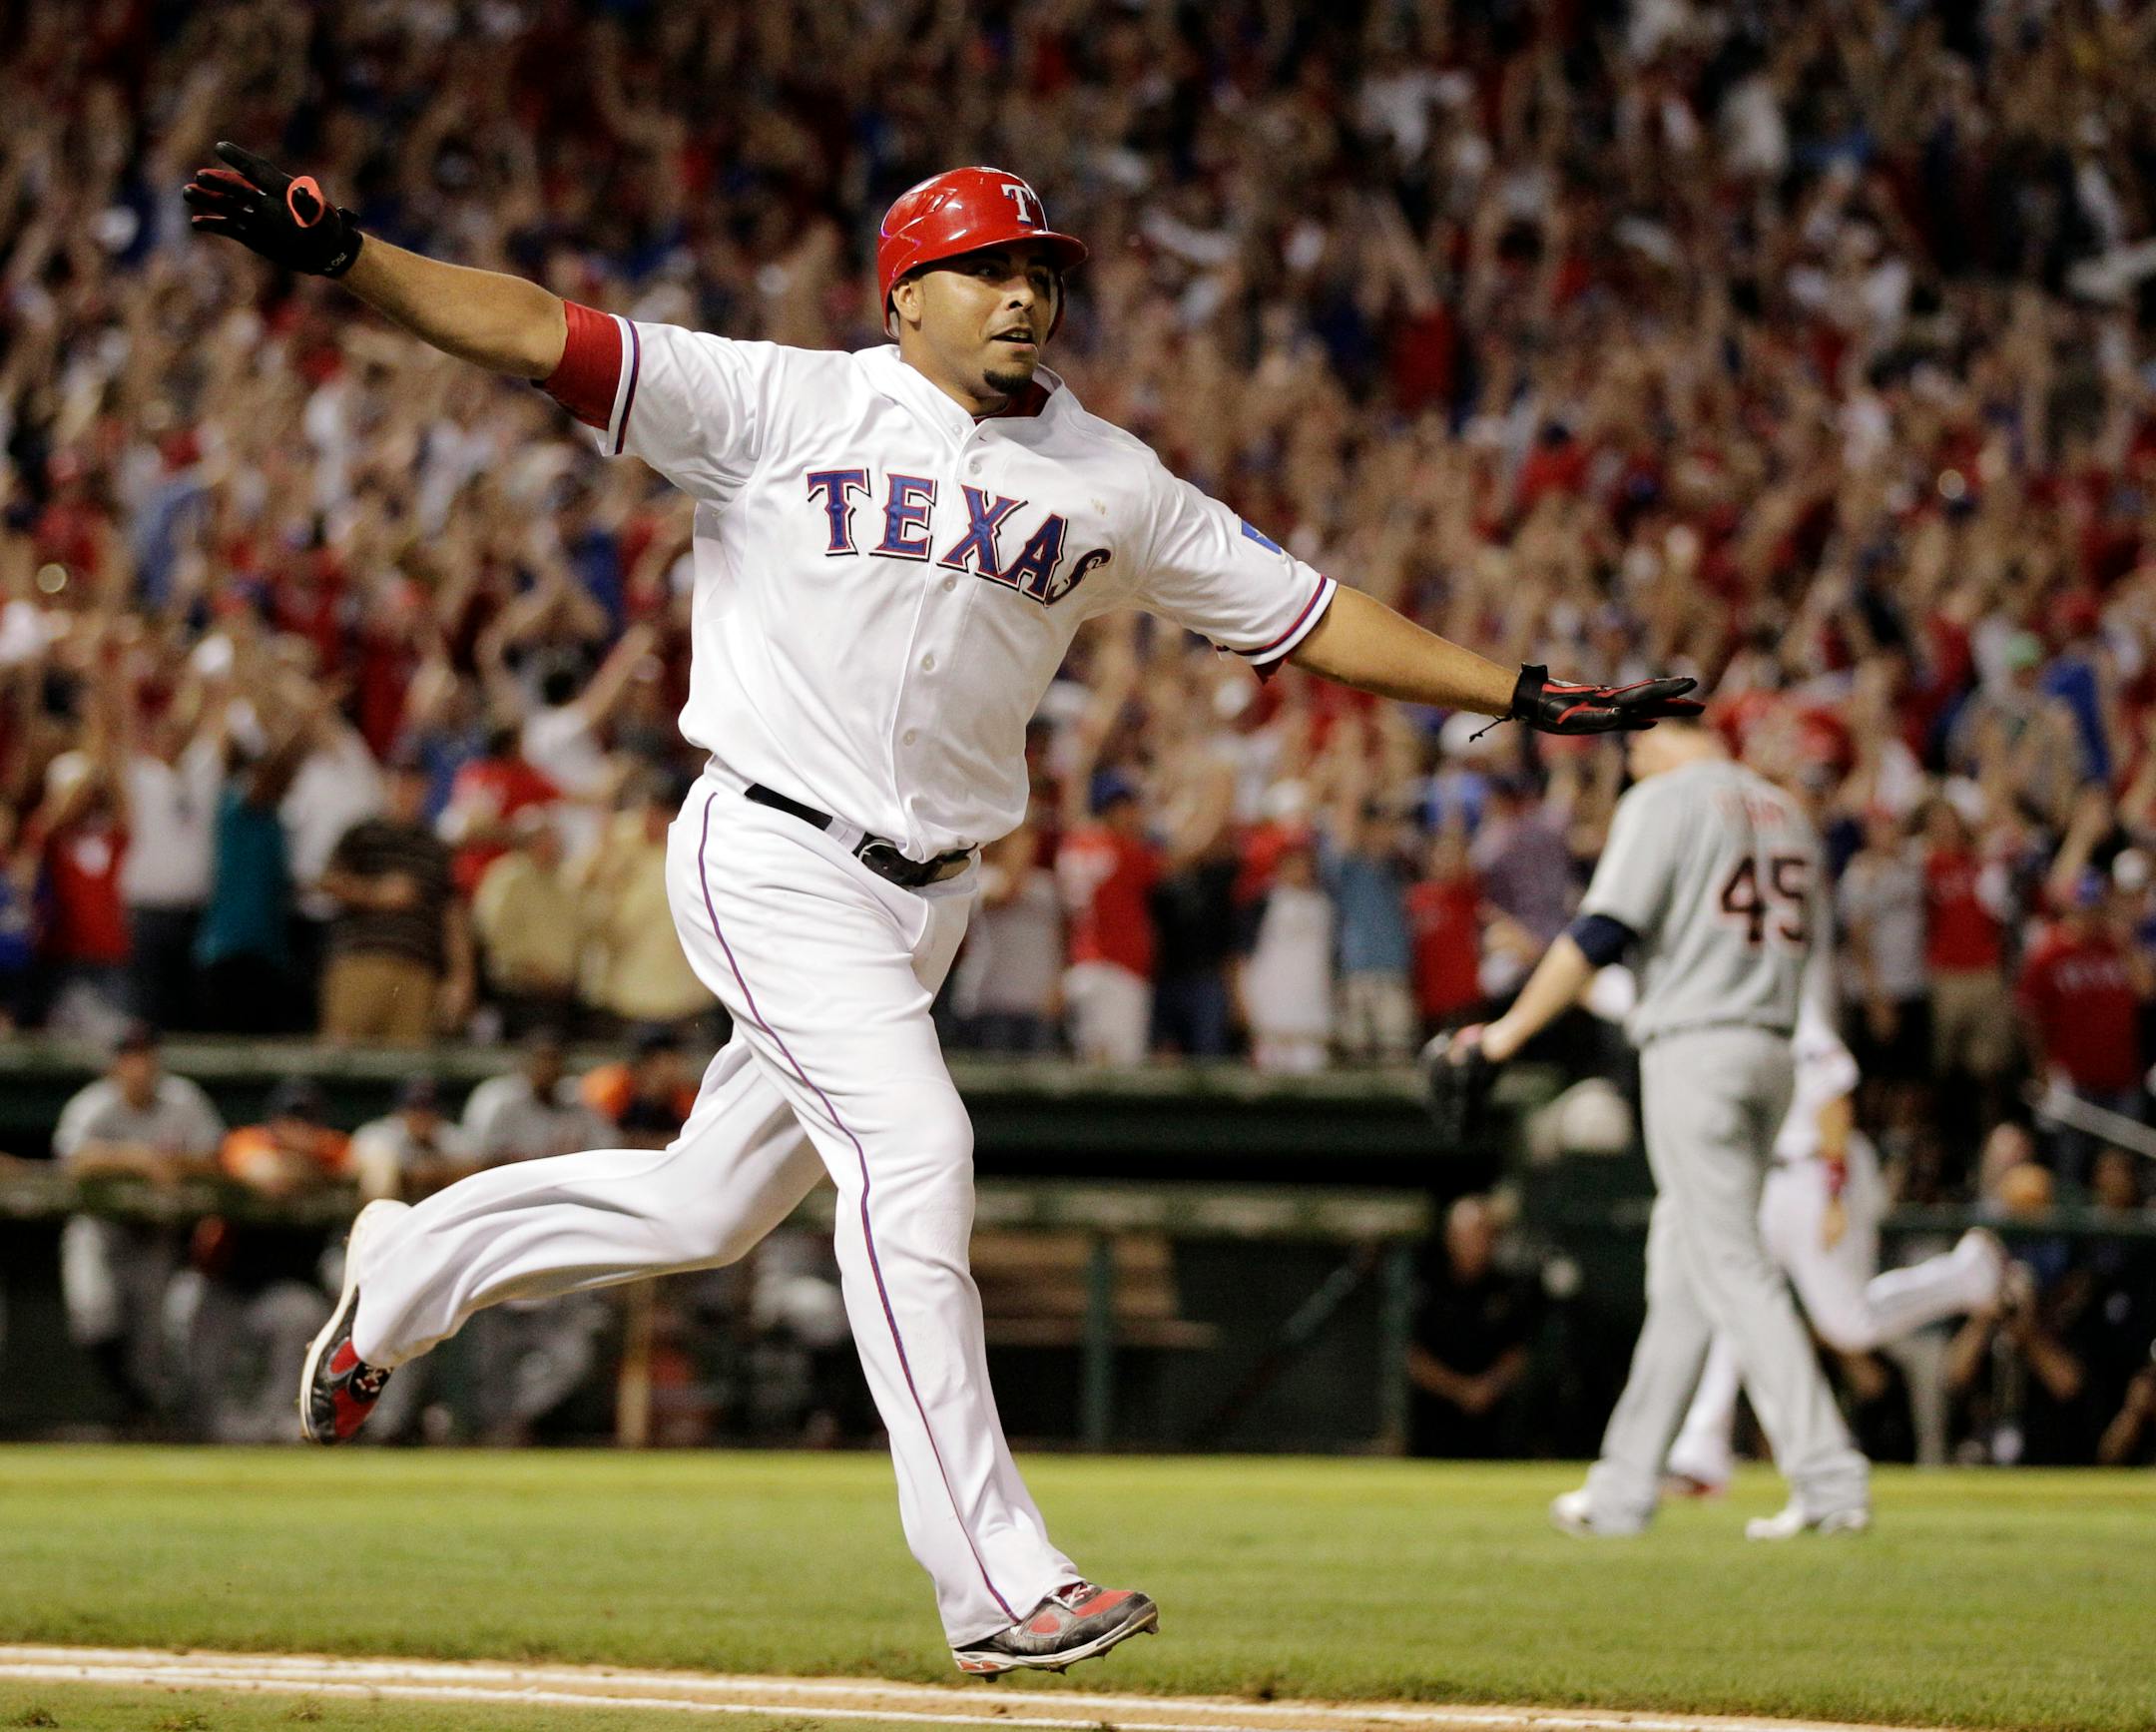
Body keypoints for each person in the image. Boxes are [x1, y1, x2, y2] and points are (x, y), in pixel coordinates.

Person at [189, 147, 1694, 1671]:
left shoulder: (1114, 480)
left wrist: (1511, 688)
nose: (1027, 293)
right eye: (991, 268)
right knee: (915, 1149)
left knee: (709, 1205)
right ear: (906, 297)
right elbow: (535, 332)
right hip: (768, 848)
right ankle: (999, 1581)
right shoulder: (785, 404)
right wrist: (354, 262)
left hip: (928, 900)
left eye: (1042, 270)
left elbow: (1310, 615)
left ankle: (409, 1265)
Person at [1445, 716, 1871, 1538]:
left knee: (1731, 1266)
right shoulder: (1786, 810)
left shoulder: (1667, 799)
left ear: (1650, 739)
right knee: (1683, 1276)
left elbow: (1600, 934)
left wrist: (1500, 1036)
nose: (1626, 759)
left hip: (1698, 1048)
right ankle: (1623, 1487)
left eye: (1628, 743)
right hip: (1773, 1050)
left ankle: (1829, 1475)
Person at [1661, 996, 2005, 1494]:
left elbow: (1835, 1098)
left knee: (1849, 1324)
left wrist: (1835, 1188)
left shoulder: (1798, 1015)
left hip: (1817, 1173)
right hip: (1771, 1180)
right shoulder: (1739, 1013)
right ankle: (1702, 1449)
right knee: (1735, 1301)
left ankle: (1966, 1274)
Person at [51, 1022, 226, 1426]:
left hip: (156, 1230)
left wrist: (175, 1164)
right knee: (93, 1313)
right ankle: (127, 1400)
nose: (138, 1067)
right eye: (128, 1058)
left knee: (152, 1339)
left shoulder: (182, 1099)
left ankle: (143, 1412)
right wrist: (141, 1160)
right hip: (101, 1227)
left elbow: (215, 1157)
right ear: (114, 1066)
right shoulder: (92, 1105)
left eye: (144, 1056)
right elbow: (74, 1159)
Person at [318, 751, 470, 1043]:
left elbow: (452, 916)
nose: (404, 789)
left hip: (417, 969)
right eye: (398, 780)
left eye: (412, 782)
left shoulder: (435, 847)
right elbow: (327, 883)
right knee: (346, 1057)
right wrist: (376, 893)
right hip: (361, 960)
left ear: (425, 788)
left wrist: (461, 978)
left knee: (408, 1066)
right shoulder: (361, 834)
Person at [1407, 1195, 1540, 1457]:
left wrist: (1487, 1387)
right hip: (1433, 1419)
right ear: (1450, 1237)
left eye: (1483, 1232)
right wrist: (1460, 1390)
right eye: (1467, 1234)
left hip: (1496, 1418)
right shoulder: (1426, 1285)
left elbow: (1519, 1352)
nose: (1475, 1242)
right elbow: (1411, 1356)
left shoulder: (1510, 1288)